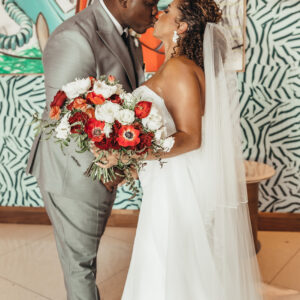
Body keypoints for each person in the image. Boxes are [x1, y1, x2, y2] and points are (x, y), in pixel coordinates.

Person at [98, 0, 263, 299]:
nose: (159, 12)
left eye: (168, 10)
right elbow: (166, 131)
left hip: (178, 188)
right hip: (169, 182)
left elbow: (191, 137)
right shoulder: (178, 66)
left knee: (167, 267)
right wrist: (129, 159)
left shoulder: (180, 68)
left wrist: (130, 152)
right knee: (172, 265)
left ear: (182, 26)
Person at [25, 0, 158, 299]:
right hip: (74, 172)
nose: (155, 11)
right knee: (80, 266)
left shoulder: (128, 36)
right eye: (149, 4)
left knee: (85, 259)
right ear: (125, 1)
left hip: (102, 169)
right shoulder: (74, 37)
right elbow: (65, 119)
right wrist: (107, 167)